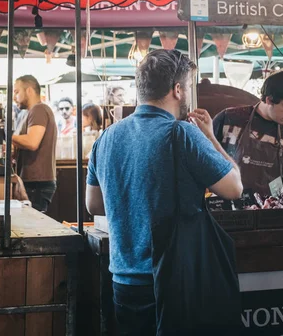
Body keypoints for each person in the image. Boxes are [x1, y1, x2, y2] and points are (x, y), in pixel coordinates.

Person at [85, 49, 243, 335]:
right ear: (178, 90)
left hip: (122, 281)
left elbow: (94, 204)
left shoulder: (106, 137)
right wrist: (210, 137)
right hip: (172, 282)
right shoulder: (181, 133)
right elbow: (234, 187)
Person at [212, 69, 283, 196]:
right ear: (269, 100)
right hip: (229, 205)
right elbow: (205, 160)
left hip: (270, 208)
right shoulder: (229, 119)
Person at [12, 75, 58, 213]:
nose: (14, 97)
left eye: (16, 92)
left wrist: (7, 136)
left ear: (29, 91)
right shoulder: (28, 113)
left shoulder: (39, 110)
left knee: (33, 230)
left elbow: (32, 142)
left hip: (37, 183)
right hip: (33, 181)